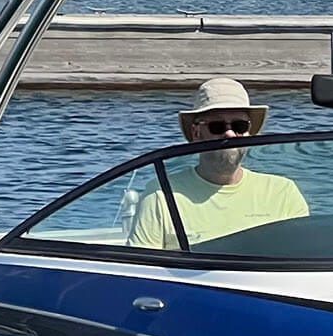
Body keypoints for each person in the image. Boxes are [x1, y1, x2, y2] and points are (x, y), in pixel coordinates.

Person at [128, 78, 309, 250]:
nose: (229, 134)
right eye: (217, 127)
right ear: (196, 133)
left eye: (239, 127)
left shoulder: (283, 193)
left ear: (249, 134)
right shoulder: (161, 195)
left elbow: (303, 260)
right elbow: (138, 272)